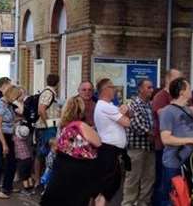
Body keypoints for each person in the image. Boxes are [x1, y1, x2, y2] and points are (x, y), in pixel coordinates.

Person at [41, 96, 102, 206]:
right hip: (79, 168)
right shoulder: (80, 125)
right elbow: (98, 142)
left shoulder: (64, 126)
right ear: (81, 110)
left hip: (61, 166)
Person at [159, 77, 193, 206]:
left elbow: (192, 130)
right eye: (189, 88)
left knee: (187, 196)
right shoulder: (168, 111)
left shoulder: (188, 109)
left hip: (189, 160)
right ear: (181, 92)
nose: (192, 90)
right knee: (171, 196)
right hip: (173, 161)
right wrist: (192, 140)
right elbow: (166, 139)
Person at [93, 78, 131, 206]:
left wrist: (124, 111)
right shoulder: (105, 106)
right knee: (109, 186)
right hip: (109, 151)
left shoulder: (108, 106)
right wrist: (124, 111)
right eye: (112, 87)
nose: (115, 89)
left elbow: (126, 116)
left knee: (111, 184)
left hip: (112, 151)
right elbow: (127, 122)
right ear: (106, 90)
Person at [122, 79, 155, 206]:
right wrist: (151, 133)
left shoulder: (150, 105)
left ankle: (143, 203)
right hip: (136, 148)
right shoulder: (133, 104)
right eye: (149, 87)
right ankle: (128, 204)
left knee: (149, 179)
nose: (151, 90)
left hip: (149, 147)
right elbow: (135, 124)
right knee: (133, 179)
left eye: (152, 87)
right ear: (140, 89)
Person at [152, 68, 182, 206]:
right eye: (177, 79)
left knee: (175, 182)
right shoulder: (161, 97)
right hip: (164, 147)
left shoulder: (179, 97)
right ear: (168, 80)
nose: (181, 83)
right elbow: (163, 115)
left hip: (179, 147)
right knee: (164, 182)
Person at [0, 86, 23, 199]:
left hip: (8, 134)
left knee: (11, 162)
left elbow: (9, 120)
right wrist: (3, 143)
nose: (16, 99)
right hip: (0, 135)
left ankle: (7, 186)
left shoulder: (7, 105)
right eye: (16, 96)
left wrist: (18, 119)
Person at [34, 74, 61, 188]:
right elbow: (41, 110)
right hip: (45, 128)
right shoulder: (48, 93)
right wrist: (49, 124)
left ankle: (41, 180)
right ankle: (39, 180)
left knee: (43, 154)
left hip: (46, 127)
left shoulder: (49, 93)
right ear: (58, 83)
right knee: (44, 154)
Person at [13, 124, 33, 194]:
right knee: (28, 174)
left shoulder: (15, 139)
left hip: (22, 160)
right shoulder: (25, 138)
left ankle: (26, 190)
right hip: (29, 158)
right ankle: (31, 187)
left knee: (24, 176)